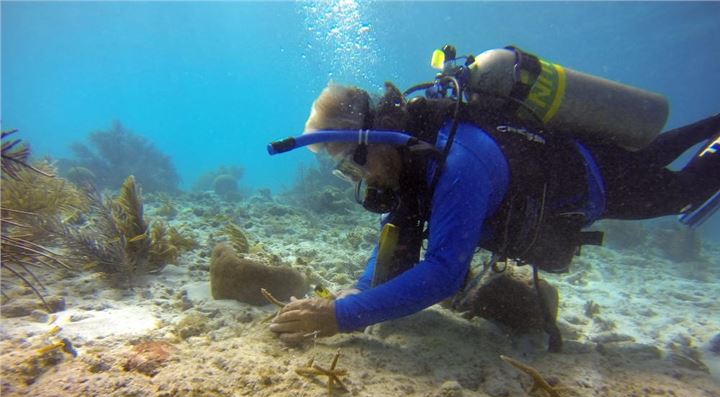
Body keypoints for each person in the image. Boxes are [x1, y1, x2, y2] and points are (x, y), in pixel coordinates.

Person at [268, 80, 720, 349]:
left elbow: (445, 273)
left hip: (596, 181)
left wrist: (340, 317)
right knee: (657, 152)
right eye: (342, 167)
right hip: (590, 157)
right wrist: (355, 292)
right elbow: (397, 232)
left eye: (352, 160)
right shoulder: (410, 160)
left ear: (375, 139)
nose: (354, 176)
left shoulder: (459, 162)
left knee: (682, 189)